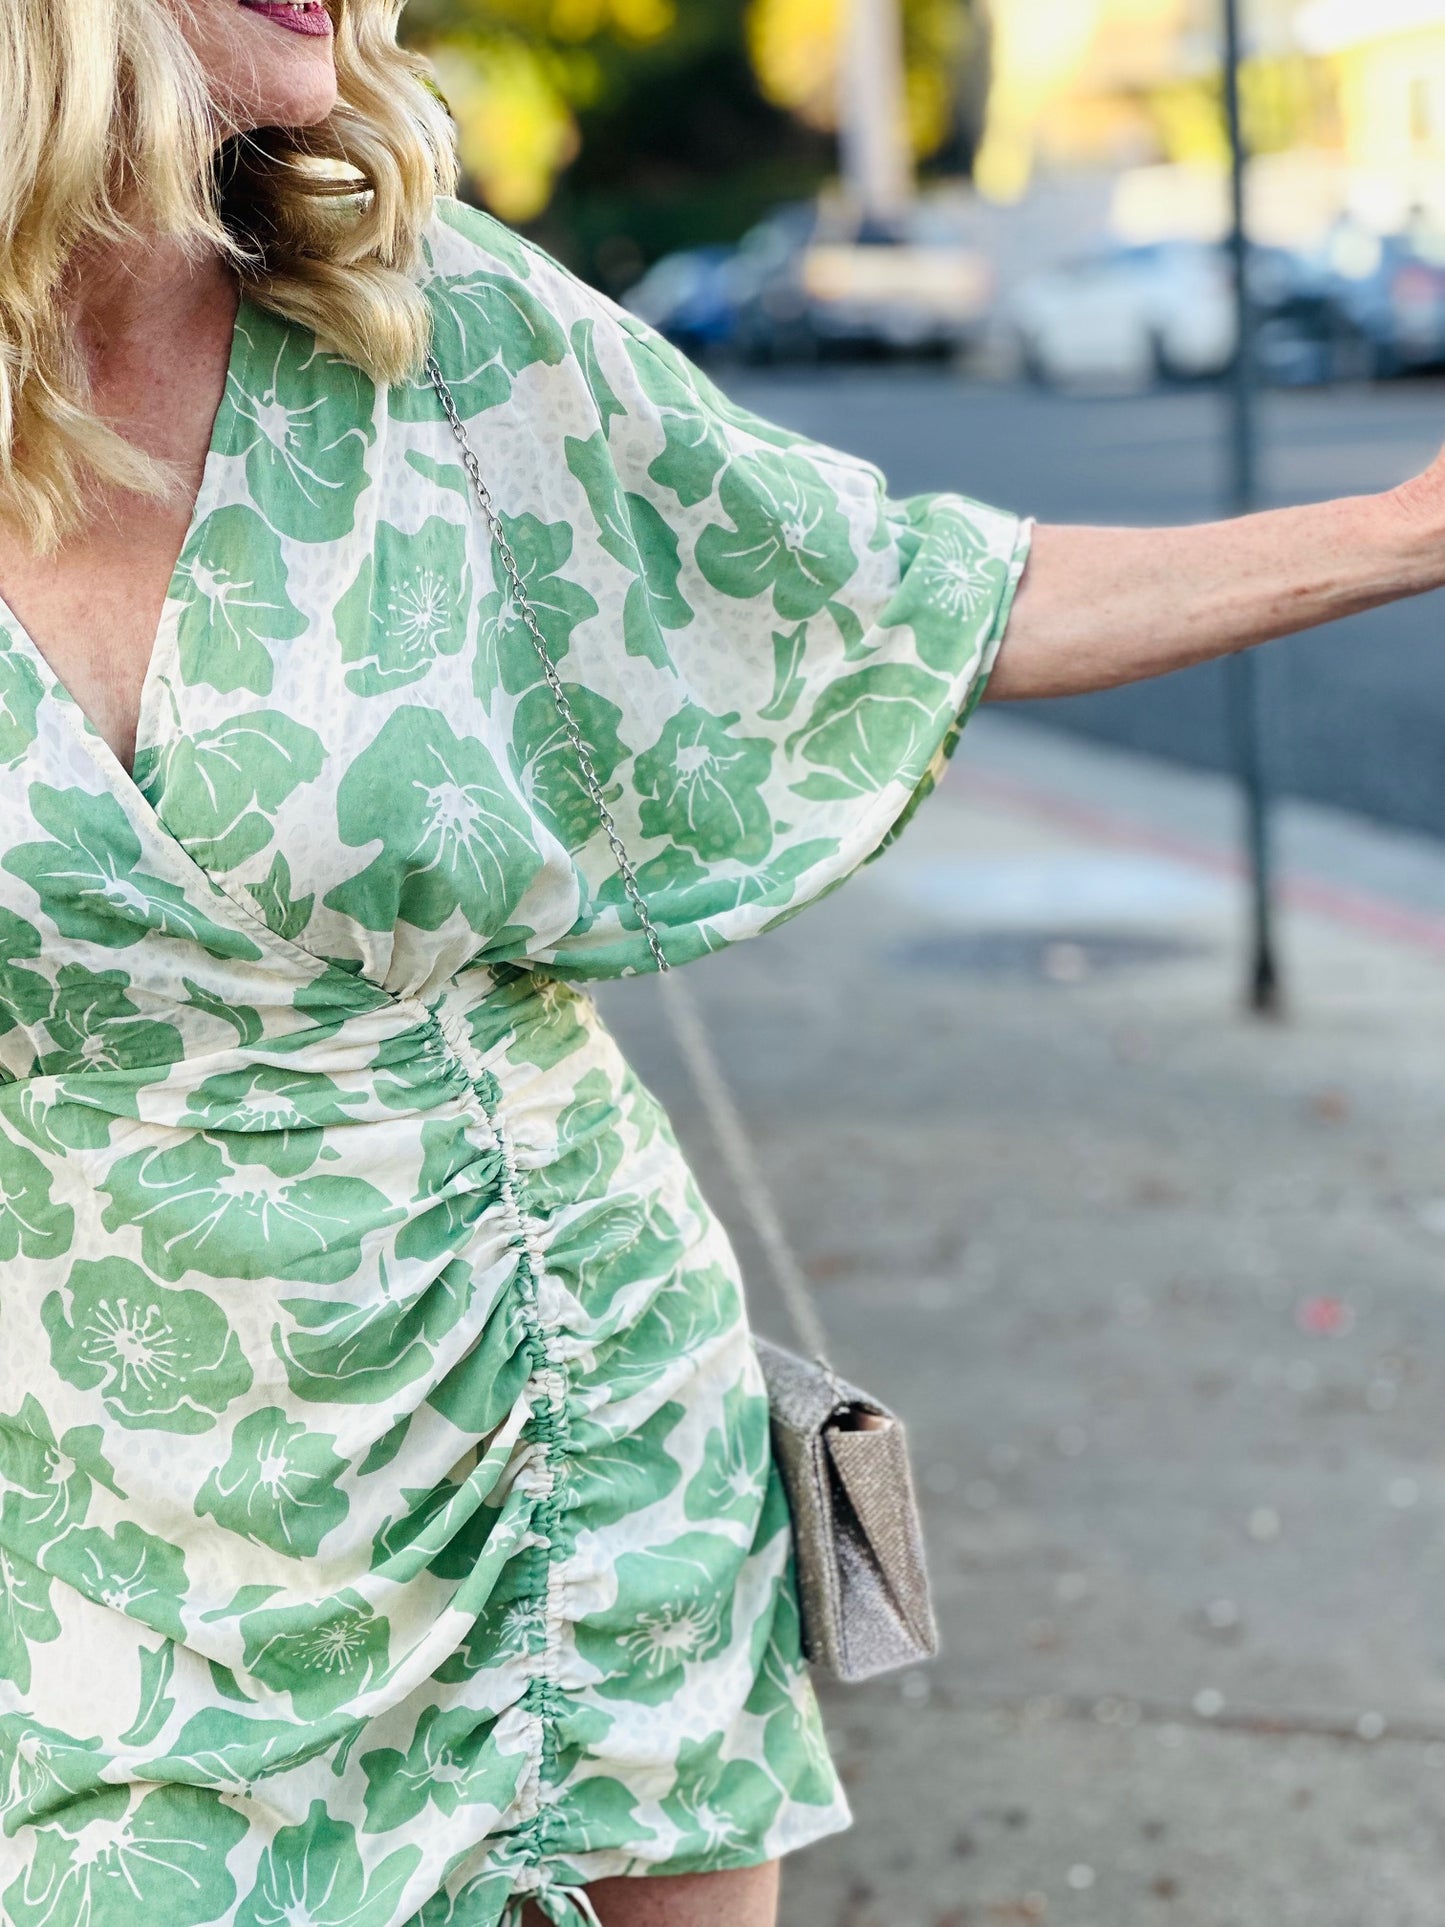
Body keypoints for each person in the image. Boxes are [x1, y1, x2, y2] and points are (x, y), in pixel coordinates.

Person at [1, 5, 1442, 1926]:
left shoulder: (433, 338)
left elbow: (913, 590)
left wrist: (1405, 525)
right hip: (88, 1503)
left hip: (544, 1416)